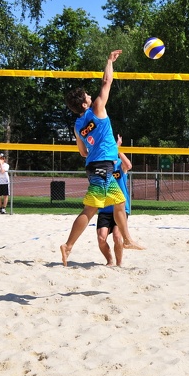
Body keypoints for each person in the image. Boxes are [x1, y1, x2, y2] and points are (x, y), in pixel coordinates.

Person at [60, 50, 144, 266]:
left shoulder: (78, 125)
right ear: (85, 104)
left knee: (119, 201)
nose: (90, 96)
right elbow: (107, 81)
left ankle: (127, 240)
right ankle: (68, 245)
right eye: (87, 95)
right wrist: (109, 60)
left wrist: (102, 147)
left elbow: (82, 152)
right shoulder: (97, 108)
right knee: (91, 209)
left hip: (94, 165)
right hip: (103, 166)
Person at [96, 136, 132, 267]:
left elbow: (128, 165)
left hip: (121, 208)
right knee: (101, 238)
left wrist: (117, 149)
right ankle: (109, 261)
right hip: (105, 208)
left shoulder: (119, 165)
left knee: (117, 236)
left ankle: (119, 263)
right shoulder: (101, 166)